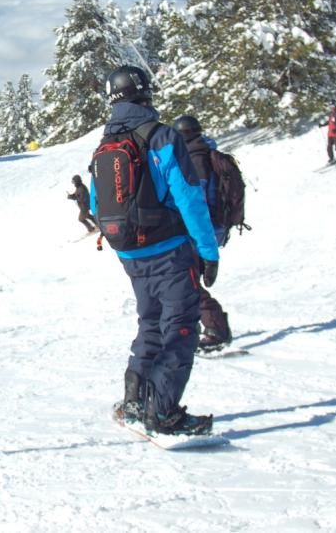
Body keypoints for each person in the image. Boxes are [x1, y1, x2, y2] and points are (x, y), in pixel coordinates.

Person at [91, 65, 219, 437]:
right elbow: (189, 197)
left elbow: (100, 203)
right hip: (169, 248)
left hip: (130, 252)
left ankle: (134, 400)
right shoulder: (161, 137)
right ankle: (162, 413)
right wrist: (208, 251)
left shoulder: (104, 145)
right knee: (180, 325)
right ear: (145, 92)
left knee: (150, 321)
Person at [172, 115, 232, 352]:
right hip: (211, 228)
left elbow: (196, 201)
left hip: (200, 231)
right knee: (187, 280)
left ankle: (215, 327)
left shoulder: (195, 160)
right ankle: (204, 325)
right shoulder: (206, 151)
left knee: (186, 282)